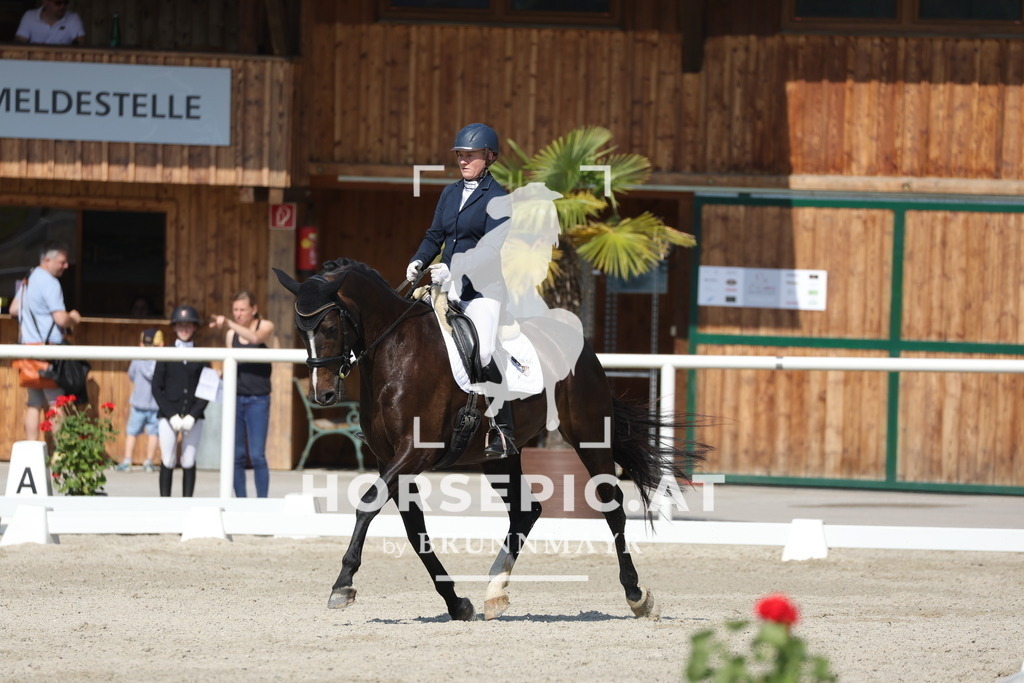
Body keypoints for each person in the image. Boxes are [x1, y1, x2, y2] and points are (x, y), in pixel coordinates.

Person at [405, 122, 516, 458]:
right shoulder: (450, 193)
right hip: (444, 286)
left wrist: (452, 269)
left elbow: (489, 250)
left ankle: (503, 430)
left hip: (482, 292)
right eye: (460, 155)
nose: (464, 160)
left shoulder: (499, 198)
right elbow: (434, 235)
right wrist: (419, 261)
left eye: (471, 155)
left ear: (490, 156)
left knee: (482, 352)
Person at [9, 241, 81, 441]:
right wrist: (73, 317)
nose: (66, 266)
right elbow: (60, 318)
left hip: (28, 350)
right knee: (56, 403)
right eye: (62, 262)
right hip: (48, 352)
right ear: (48, 260)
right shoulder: (50, 282)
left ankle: (31, 450)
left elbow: (14, 309)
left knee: (33, 404)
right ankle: (62, 455)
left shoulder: (29, 279)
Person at [209, 291, 276, 497]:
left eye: (242, 310)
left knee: (257, 455)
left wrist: (229, 323)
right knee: (236, 455)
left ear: (253, 310)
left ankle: (262, 503)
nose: (238, 314)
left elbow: (255, 338)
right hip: (235, 398)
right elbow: (230, 363)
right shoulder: (232, 334)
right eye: (235, 310)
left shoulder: (266, 326)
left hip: (258, 399)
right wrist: (218, 374)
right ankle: (240, 502)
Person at [151, 305, 209, 497]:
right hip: (170, 414)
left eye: (188, 325)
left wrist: (193, 414)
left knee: (188, 459)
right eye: (180, 325)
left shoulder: (203, 355)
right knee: (167, 458)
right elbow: (156, 388)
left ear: (194, 327)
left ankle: (187, 503)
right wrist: (171, 414)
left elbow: (206, 389)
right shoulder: (165, 353)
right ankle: (165, 503)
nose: (184, 328)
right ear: (174, 327)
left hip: (193, 414)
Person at [115, 328, 164, 473]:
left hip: (137, 402)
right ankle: (149, 462)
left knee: (132, 432)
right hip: (155, 404)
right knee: (153, 434)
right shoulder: (161, 361)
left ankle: (127, 460)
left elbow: (131, 375)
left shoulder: (137, 358)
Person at [14, 0, 86, 46]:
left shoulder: (73, 18)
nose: (62, 6)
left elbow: (81, 45)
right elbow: (19, 43)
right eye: (58, 3)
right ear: (45, 2)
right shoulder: (30, 16)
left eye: (66, 2)